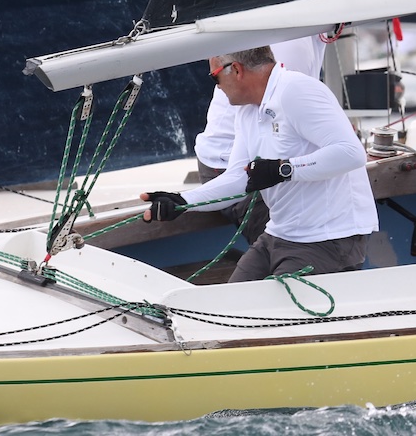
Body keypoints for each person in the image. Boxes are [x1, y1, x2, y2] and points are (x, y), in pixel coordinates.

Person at [142, 46, 377, 281]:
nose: (217, 86)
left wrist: (283, 169)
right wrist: (182, 202)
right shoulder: (247, 110)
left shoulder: (296, 90)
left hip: (327, 238)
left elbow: (351, 153)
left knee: (271, 314)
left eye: (215, 77)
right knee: (232, 308)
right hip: (280, 234)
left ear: (235, 69)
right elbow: (238, 179)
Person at [193, 35, 326, 243]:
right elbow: (237, 177)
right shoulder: (292, 43)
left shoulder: (310, 29)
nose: (218, 85)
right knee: (296, 244)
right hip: (232, 164)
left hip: (260, 159)